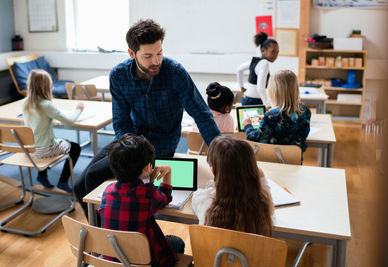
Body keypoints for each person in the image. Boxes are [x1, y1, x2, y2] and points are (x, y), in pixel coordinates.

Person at [73, 19, 220, 217]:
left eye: (159, 53)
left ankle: (109, 236)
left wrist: (221, 153)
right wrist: (128, 152)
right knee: (80, 185)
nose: (156, 61)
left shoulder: (175, 72)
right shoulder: (118, 75)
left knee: (93, 176)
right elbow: (121, 122)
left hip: (162, 145)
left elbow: (201, 114)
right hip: (132, 142)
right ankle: (106, 236)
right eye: (148, 56)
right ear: (132, 54)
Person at [99, 134, 184, 267]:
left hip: (113, 260)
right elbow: (165, 197)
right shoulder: (147, 193)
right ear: (147, 168)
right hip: (143, 262)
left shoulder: (108, 191)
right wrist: (168, 172)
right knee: (177, 242)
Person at [192, 135, 274, 236]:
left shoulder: (202, 199)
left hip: (211, 252)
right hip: (252, 252)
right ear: (252, 169)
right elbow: (270, 206)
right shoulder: (263, 205)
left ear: (213, 171)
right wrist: (261, 178)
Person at [23, 69, 83, 192]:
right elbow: (69, 121)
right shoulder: (46, 105)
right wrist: (79, 109)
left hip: (30, 149)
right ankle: (63, 181)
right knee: (75, 147)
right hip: (44, 150)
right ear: (46, 86)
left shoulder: (25, 103)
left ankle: (42, 175)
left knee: (58, 141)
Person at [243, 70, 311, 152]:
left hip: (272, 159)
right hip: (295, 160)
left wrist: (247, 125)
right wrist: (266, 119)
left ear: (274, 91)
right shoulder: (305, 111)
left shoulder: (271, 115)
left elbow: (254, 138)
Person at [237, 32, 279, 107]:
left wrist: (241, 86)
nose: (276, 55)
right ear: (263, 50)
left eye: (277, 52)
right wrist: (267, 105)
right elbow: (261, 88)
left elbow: (239, 69)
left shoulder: (256, 60)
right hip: (255, 101)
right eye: (273, 52)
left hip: (247, 98)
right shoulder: (264, 63)